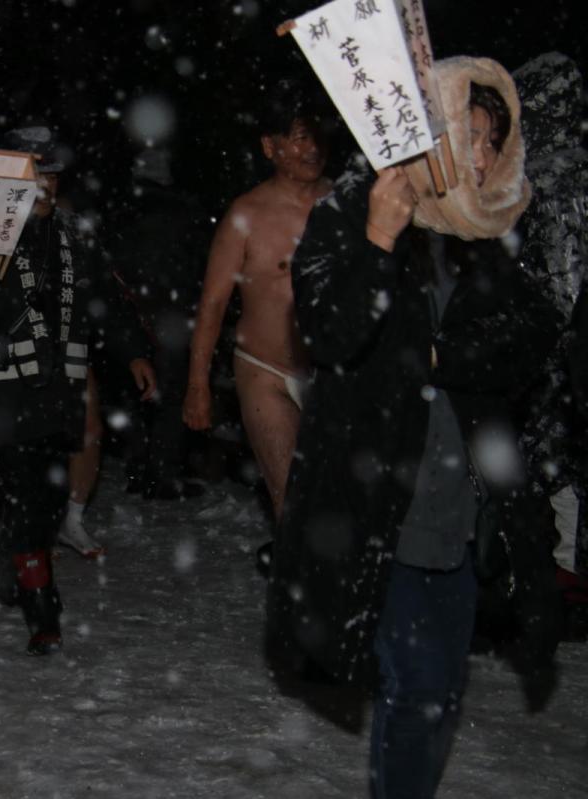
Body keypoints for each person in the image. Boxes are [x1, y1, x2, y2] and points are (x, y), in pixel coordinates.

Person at [267, 58, 562, 799]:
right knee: (417, 687)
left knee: (440, 692)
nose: (484, 156)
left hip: (466, 499)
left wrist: (437, 354)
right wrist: (376, 240)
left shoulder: (493, 228)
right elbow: (329, 332)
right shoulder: (353, 210)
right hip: (379, 495)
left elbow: (533, 332)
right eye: (471, 133)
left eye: (493, 140)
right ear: (431, 133)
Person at [0, 126, 154, 654]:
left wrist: (134, 351)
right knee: (25, 493)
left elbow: (108, 298)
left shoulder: (75, 234)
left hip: (57, 389)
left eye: (53, 174)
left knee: (46, 497)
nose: (45, 185)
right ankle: (43, 611)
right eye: (34, 174)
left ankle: (16, 555)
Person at [183, 81, 331, 530]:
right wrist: (198, 385)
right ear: (270, 146)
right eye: (299, 137)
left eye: (317, 136)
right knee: (291, 503)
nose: (311, 149)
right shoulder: (245, 214)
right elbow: (213, 304)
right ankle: (298, 570)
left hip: (334, 373)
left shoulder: (347, 203)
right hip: (265, 370)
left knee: (338, 499)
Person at [511, 53, 588, 619]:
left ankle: (564, 580)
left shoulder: (542, 182)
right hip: (563, 348)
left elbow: (559, 277)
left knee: (553, 465)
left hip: (555, 351)